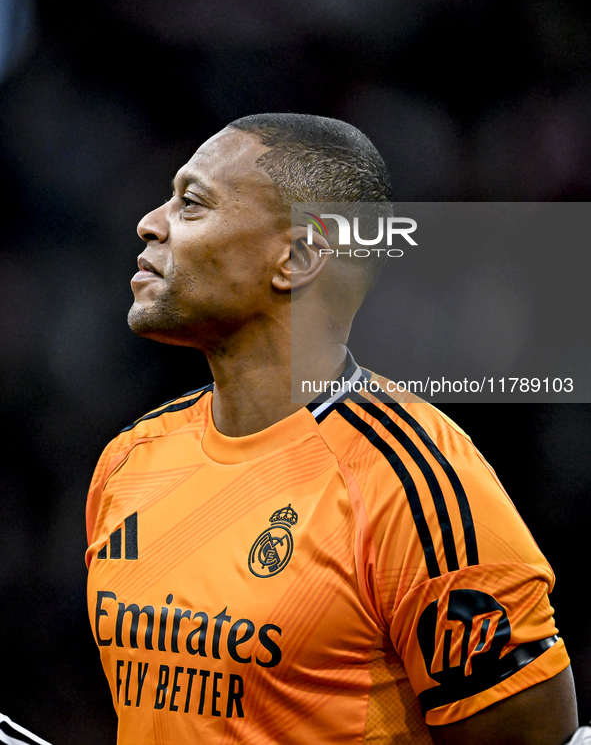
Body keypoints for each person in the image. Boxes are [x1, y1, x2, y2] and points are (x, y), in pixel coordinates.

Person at [86, 113, 578, 744]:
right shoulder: (130, 462)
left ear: (295, 258)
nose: (150, 223)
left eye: (191, 203)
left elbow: (534, 736)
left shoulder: (415, 482)